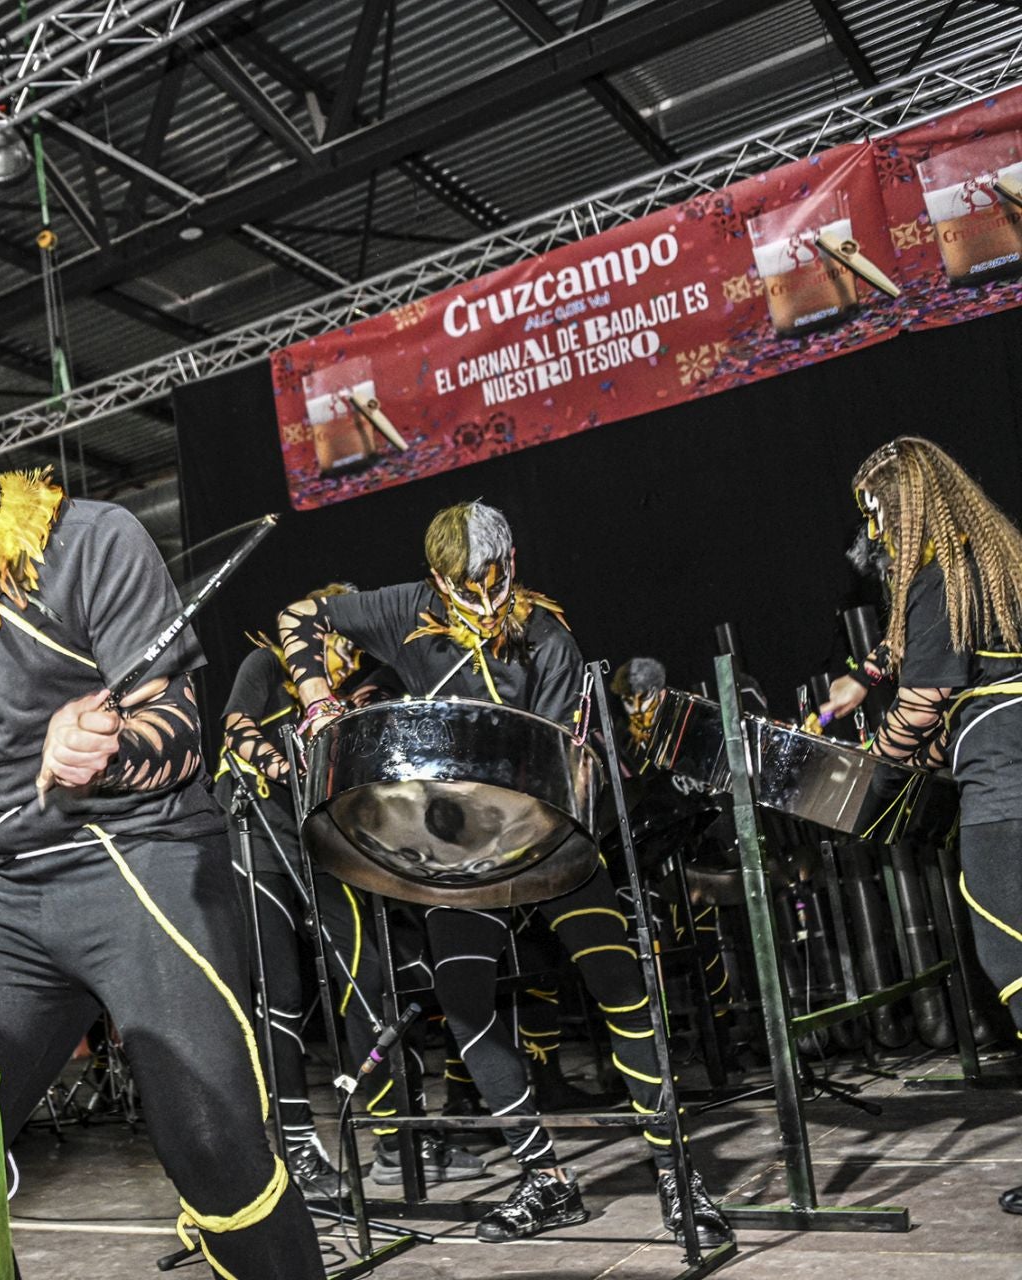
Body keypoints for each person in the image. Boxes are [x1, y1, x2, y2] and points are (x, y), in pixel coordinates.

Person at [0, 343, 322, 1279]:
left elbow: (180, 722)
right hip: (12, 897)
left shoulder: (93, 539)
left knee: (212, 1140)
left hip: (142, 859)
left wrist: (108, 750)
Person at [276, 501, 732, 1247]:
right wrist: (318, 698)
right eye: (463, 589)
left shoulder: (548, 638)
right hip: (457, 845)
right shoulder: (403, 609)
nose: (483, 603)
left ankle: (679, 1176)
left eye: (492, 584)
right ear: (435, 579)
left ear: (511, 563)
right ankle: (545, 1180)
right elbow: (300, 615)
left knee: (621, 988)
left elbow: (555, 763)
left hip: (544, 839)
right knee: (462, 1003)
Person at [217, 601, 486, 1199]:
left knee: (368, 975)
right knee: (280, 993)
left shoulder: (353, 695)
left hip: (324, 840)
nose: (343, 666)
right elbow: (235, 729)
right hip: (256, 835)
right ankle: (292, 1143)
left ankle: (398, 1138)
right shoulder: (266, 665)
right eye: (339, 649)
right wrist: (289, 765)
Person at [818, 436, 1022, 1216]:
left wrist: (875, 760)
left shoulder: (937, 571)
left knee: (1010, 955)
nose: (873, 532)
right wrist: (854, 684)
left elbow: (924, 701)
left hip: (1003, 780)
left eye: (877, 514)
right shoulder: (989, 555)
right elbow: (914, 655)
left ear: (903, 506)